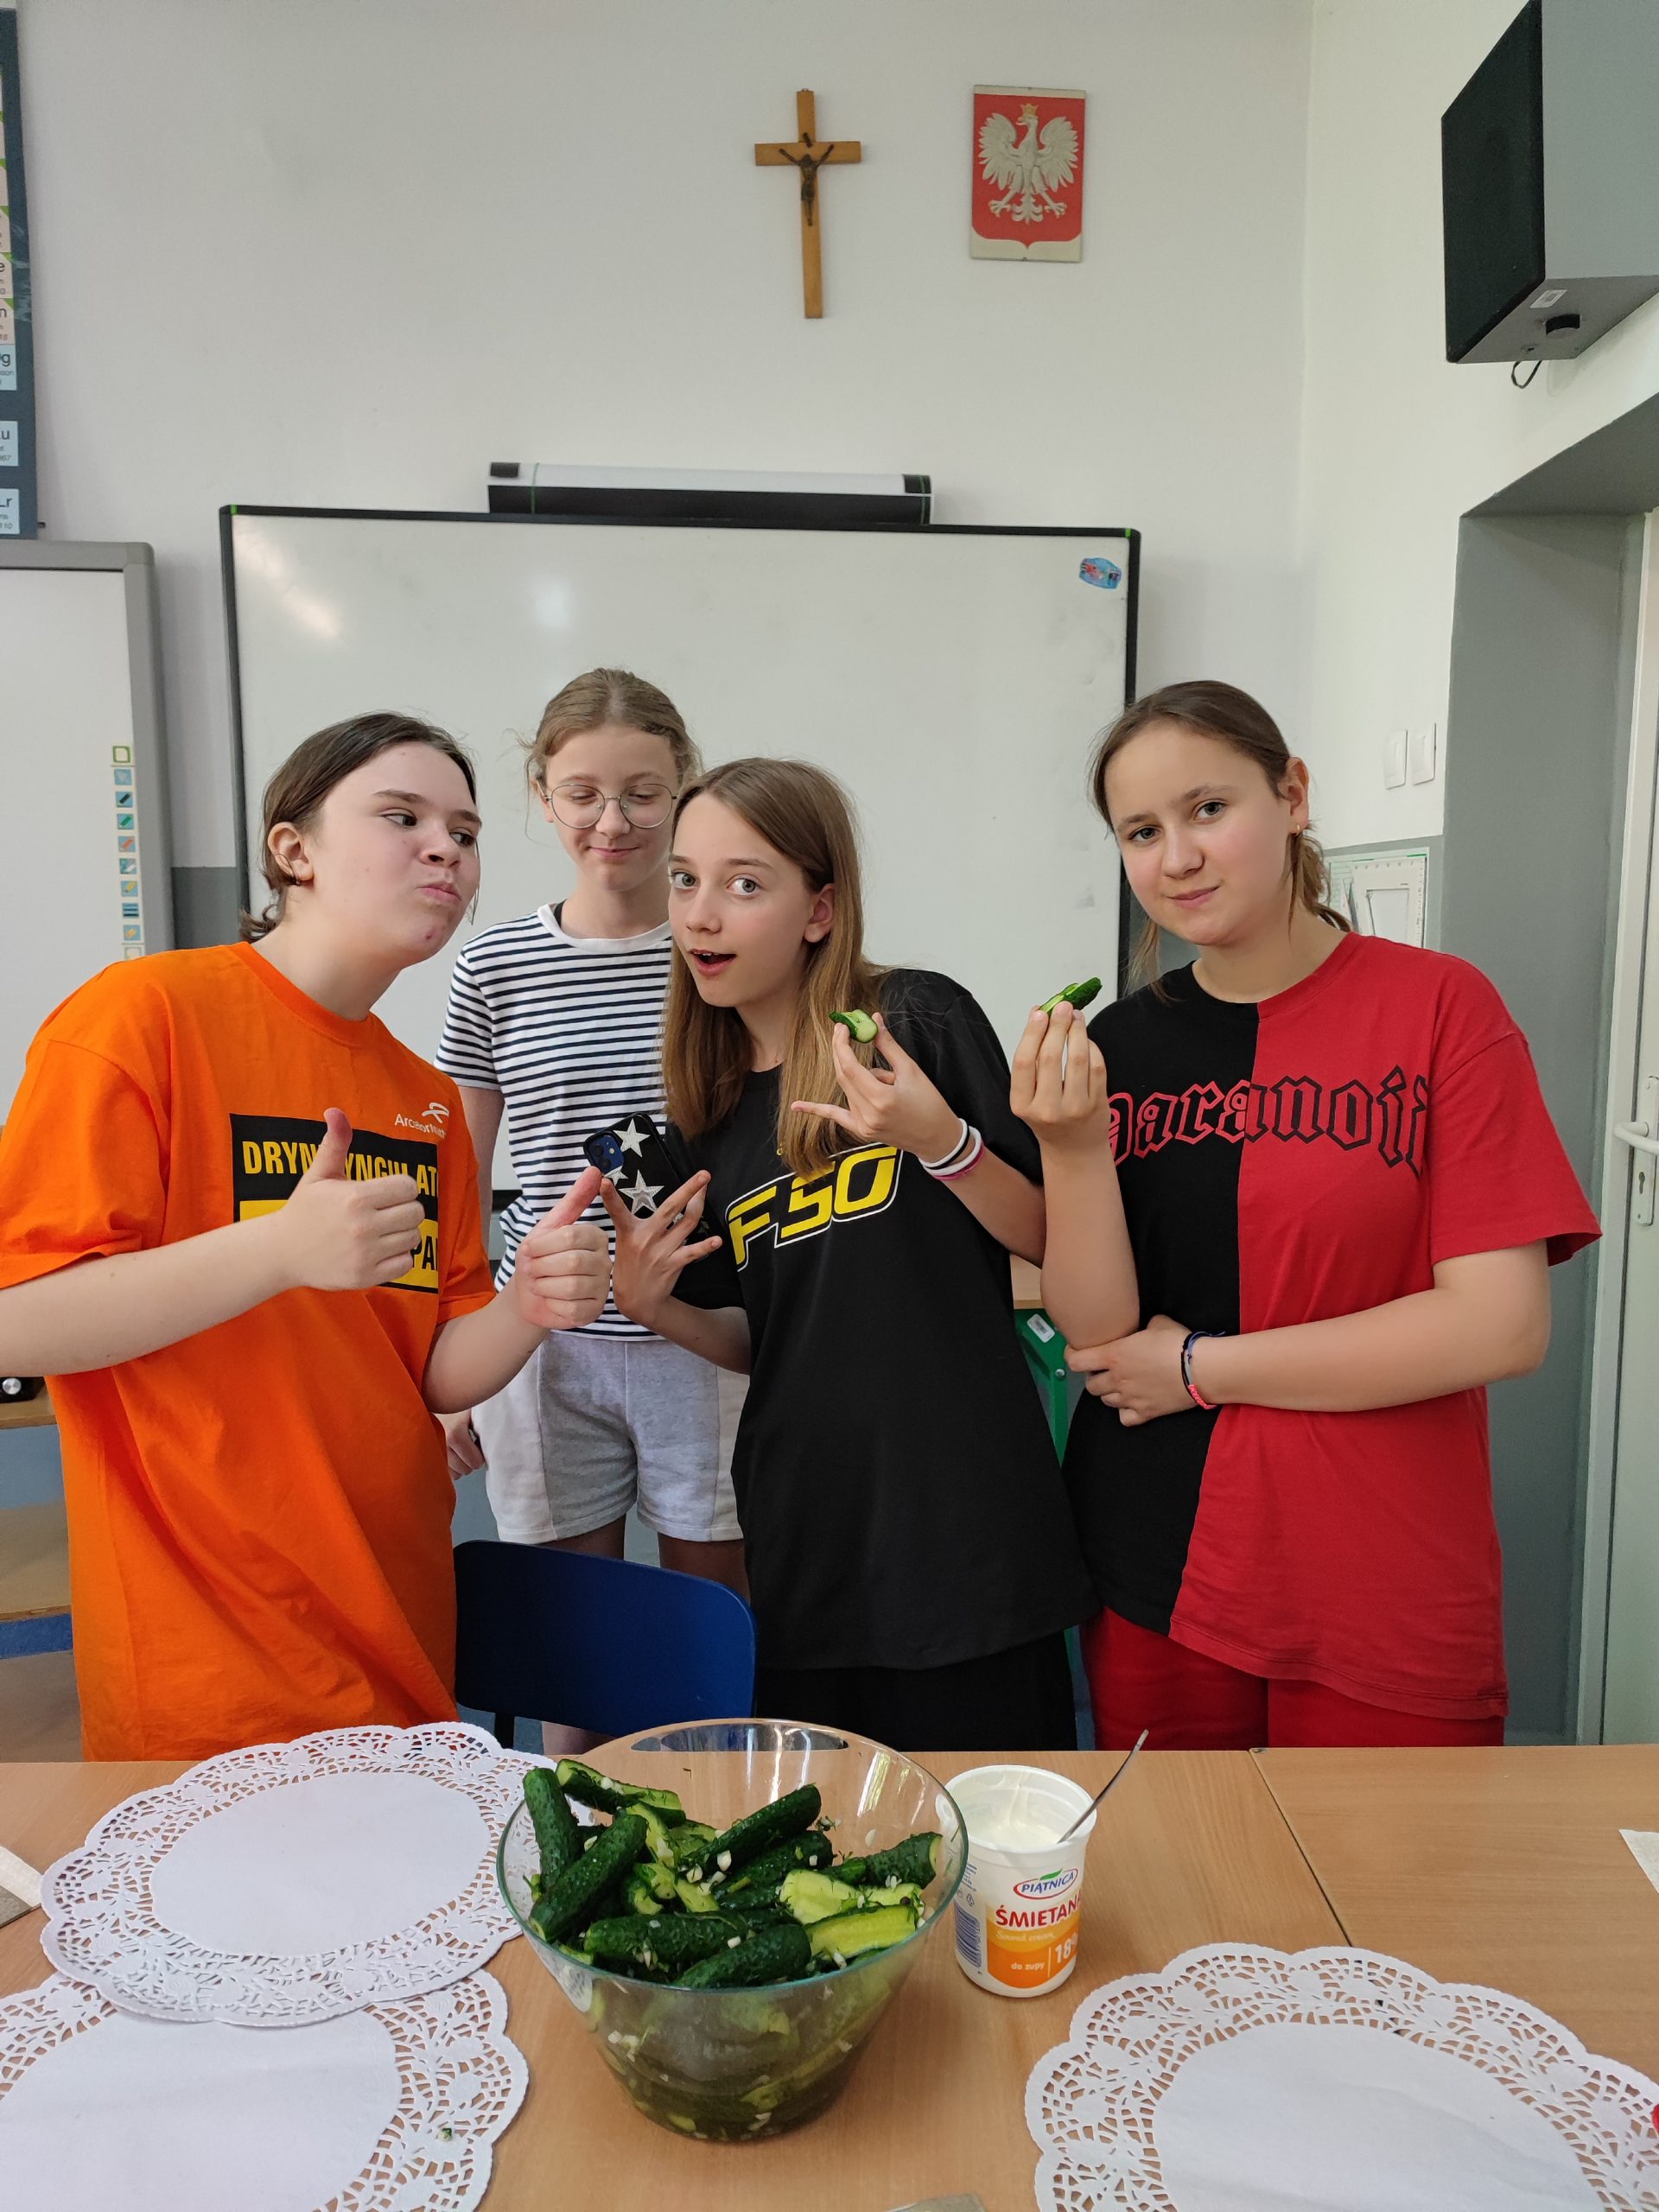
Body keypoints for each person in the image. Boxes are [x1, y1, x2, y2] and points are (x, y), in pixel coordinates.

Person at [0, 712, 609, 1759]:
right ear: (294, 850)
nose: (446, 850)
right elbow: (18, 1320)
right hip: (207, 1667)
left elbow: (432, 1369)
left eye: (466, 833)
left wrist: (528, 1306)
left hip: (399, 1634)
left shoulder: (424, 1099)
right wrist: (276, 1252)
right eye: (402, 816)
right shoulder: (141, 1018)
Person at [1012, 679, 1599, 1750]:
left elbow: (1502, 1324)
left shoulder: (1441, 1007)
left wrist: (1202, 1368)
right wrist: (1071, 1145)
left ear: (1292, 795)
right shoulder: (1119, 1048)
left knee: (1392, 1863)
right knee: (1178, 1858)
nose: (1178, 857)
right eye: (1141, 832)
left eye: (1208, 809)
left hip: (1383, 1570)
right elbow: (1098, 1336)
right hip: (1160, 1564)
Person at [603, 756, 1095, 1752]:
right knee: (839, 1826)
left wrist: (940, 1142)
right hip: (808, 1539)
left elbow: (1052, 1233)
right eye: (685, 880)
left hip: (963, 1530)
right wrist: (656, 1307)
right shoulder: (706, 1116)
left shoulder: (913, 1024)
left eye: (745, 883)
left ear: (820, 909)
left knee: (986, 1823)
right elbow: (763, 1336)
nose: (701, 915)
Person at [435, 671, 745, 1611]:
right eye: (582, 794)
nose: (613, 822)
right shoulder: (494, 964)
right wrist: (457, 1363)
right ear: (543, 795)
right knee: (573, 1623)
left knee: (715, 1610)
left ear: (683, 789)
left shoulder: (721, 953)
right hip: (545, 1340)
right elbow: (457, 1178)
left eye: (644, 793)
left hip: (703, 1330)